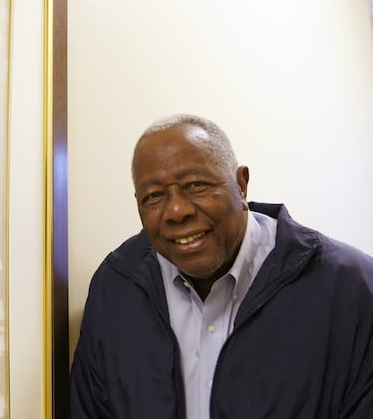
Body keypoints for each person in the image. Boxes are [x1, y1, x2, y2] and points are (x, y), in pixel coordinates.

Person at [70, 114, 373, 418]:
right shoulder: (116, 288)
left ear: (241, 186)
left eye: (195, 185)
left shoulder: (351, 287)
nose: (176, 211)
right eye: (154, 197)